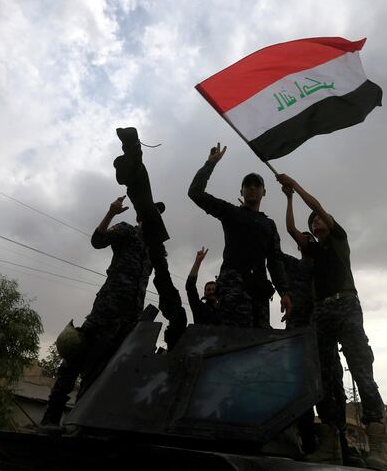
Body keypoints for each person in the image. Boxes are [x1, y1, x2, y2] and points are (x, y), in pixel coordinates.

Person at [277, 173, 387, 469]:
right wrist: (287, 198)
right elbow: (290, 229)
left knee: (361, 368)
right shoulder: (313, 250)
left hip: (346, 306)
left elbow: (317, 205)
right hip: (321, 313)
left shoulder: (339, 239)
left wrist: (296, 186)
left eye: (319, 219)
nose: (315, 223)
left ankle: (378, 442)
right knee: (326, 377)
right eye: (312, 222)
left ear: (329, 222)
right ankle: (333, 442)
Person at [41, 195, 153, 426]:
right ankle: (51, 416)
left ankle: (79, 423)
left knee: (102, 374)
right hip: (106, 311)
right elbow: (98, 240)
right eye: (151, 214)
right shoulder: (127, 232)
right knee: (75, 358)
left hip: (127, 322)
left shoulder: (153, 252)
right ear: (141, 217)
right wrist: (111, 213)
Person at [188, 143, 293, 328]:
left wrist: (284, 292)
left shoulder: (269, 225)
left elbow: (275, 260)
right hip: (233, 285)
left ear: (264, 192)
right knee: (233, 340)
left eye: (257, 185)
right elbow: (195, 193)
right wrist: (209, 164)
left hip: (259, 290)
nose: (252, 188)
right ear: (241, 192)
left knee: (258, 344)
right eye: (247, 186)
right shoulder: (231, 212)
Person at [113, 127, 187, 347]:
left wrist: (131, 143)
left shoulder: (136, 168)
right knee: (160, 267)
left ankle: (173, 311)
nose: (119, 173)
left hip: (150, 220)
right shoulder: (131, 179)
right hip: (149, 219)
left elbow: (135, 157)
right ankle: (172, 309)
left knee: (161, 270)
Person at [186, 247, 220, 325]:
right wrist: (198, 261)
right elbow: (190, 286)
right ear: (204, 293)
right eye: (208, 290)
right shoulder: (199, 308)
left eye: (213, 289)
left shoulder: (225, 310)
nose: (211, 291)